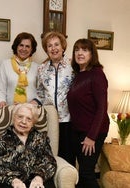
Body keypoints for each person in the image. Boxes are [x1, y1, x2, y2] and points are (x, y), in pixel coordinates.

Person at [67, 38, 109, 188]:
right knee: (81, 173)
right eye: (77, 49)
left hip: (93, 132)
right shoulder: (78, 74)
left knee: (86, 173)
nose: (80, 53)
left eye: (84, 50)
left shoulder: (97, 74)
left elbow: (102, 108)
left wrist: (91, 137)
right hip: (78, 131)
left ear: (92, 54)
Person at [0, 103, 56, 188]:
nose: (23, 122)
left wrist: (39, 177)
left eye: (28, 119)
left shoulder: (41, 138)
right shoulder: (0, 139)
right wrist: (13, 180)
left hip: (36, 181)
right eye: (20, 117)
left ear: (33, 123)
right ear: (14, 118)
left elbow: (50, 162)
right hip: (10, 183)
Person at [33, 31, 75, 165]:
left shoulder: (73, 66)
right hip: (49, 120)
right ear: (46, 50)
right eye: (49, 46)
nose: (53, 48)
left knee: (67, 158)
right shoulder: (41, 68)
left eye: (56, 44)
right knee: (50, 158)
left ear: (63, 47)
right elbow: (40, 93)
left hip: (68, 120)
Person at [0, 32, 38, 107]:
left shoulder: (38, 67)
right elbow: (0, 88)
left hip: (31, 110)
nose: (24, 49)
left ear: (32, 49)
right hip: (10, 109)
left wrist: (34, 103)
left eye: (27, 46)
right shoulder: (5, 64)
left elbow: (41, 92)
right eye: (21, 45)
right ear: (16, 46)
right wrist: (1, 101)